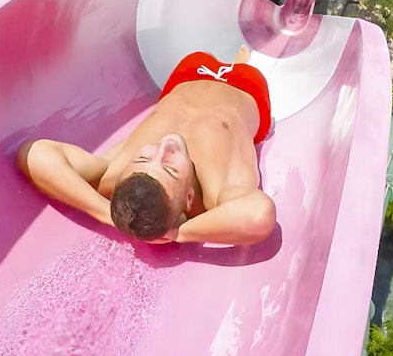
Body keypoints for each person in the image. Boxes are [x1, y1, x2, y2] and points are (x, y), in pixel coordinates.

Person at [17, 46, 276, 245]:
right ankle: (242, 57)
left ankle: (237, 52)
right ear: (188, 197)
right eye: (171, 168)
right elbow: (259, 216)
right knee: (245, 57)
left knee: (203, 51)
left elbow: (34, 154)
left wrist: (106, 214)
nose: (164, 145)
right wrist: (178, 234)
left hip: (188, 74)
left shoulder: (115, 172)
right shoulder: (218, 191)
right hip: (246, 86)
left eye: (143, 159)